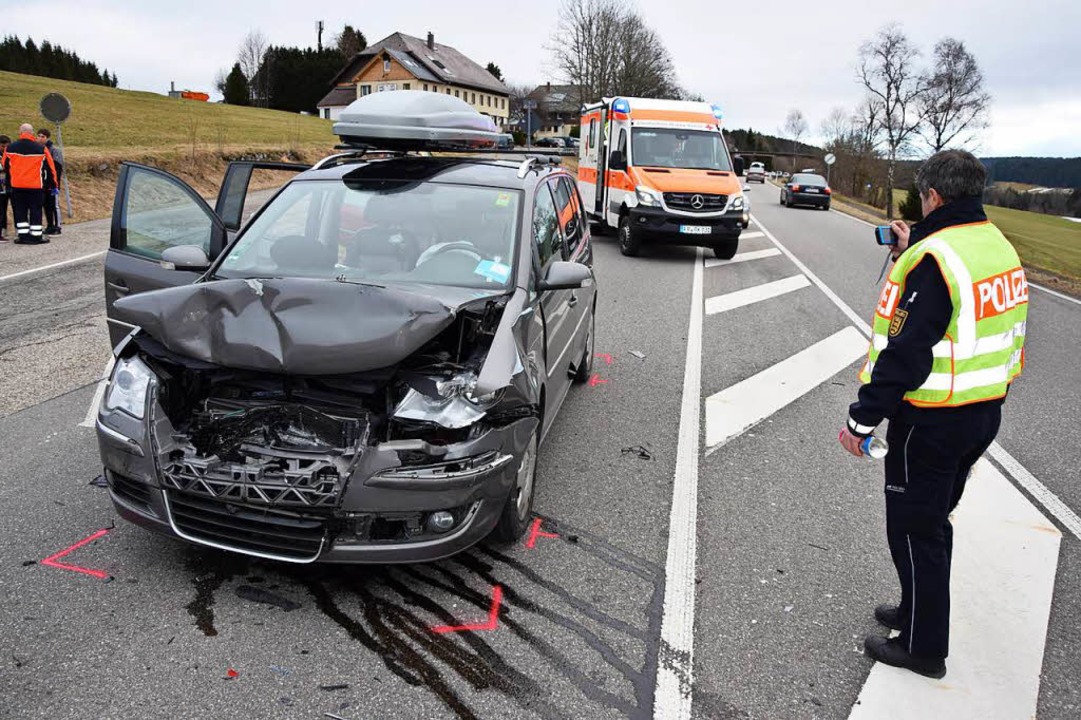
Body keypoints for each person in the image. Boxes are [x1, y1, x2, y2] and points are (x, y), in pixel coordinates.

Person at [838, 150, 1028, 679]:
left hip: (931, 421)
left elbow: (904, 352)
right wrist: (916, 242)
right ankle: (913, 608)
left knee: (915, 530)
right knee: (932, 520)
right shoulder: (993, 245)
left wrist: (862, 419)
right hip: (981, 413)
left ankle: (924, 649)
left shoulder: (934, 260)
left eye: (923, 197)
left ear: (935, 197)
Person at [2, 123, 57, 244]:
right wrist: (54, 185)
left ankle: (22, 235)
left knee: (20, 210)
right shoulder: (41, 148)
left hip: (17, 185)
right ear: (32, 133)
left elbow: (4, 164)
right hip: (35, 185)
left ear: (20, 132)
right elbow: (51, 168)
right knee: (35, 210)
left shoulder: (10, 148)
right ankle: (36, 235)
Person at [37, 128, 63, 235]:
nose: (40, 138)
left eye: (42, 136)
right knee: (46, 206)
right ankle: (49, 225)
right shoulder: (38, 149)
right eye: (39, 136)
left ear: (47, 138)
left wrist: (54, 183)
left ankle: (57, 226)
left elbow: (57, 168)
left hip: (52, 184)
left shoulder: (54, 150)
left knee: (54, 205)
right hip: (43, 184)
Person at [0, 134, 10, 242]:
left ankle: (5, 229)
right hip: (1, 186)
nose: (4, 149)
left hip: (9, 185)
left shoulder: (10, 155)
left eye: (6, 147)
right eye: (3, 146)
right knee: (1, 210)